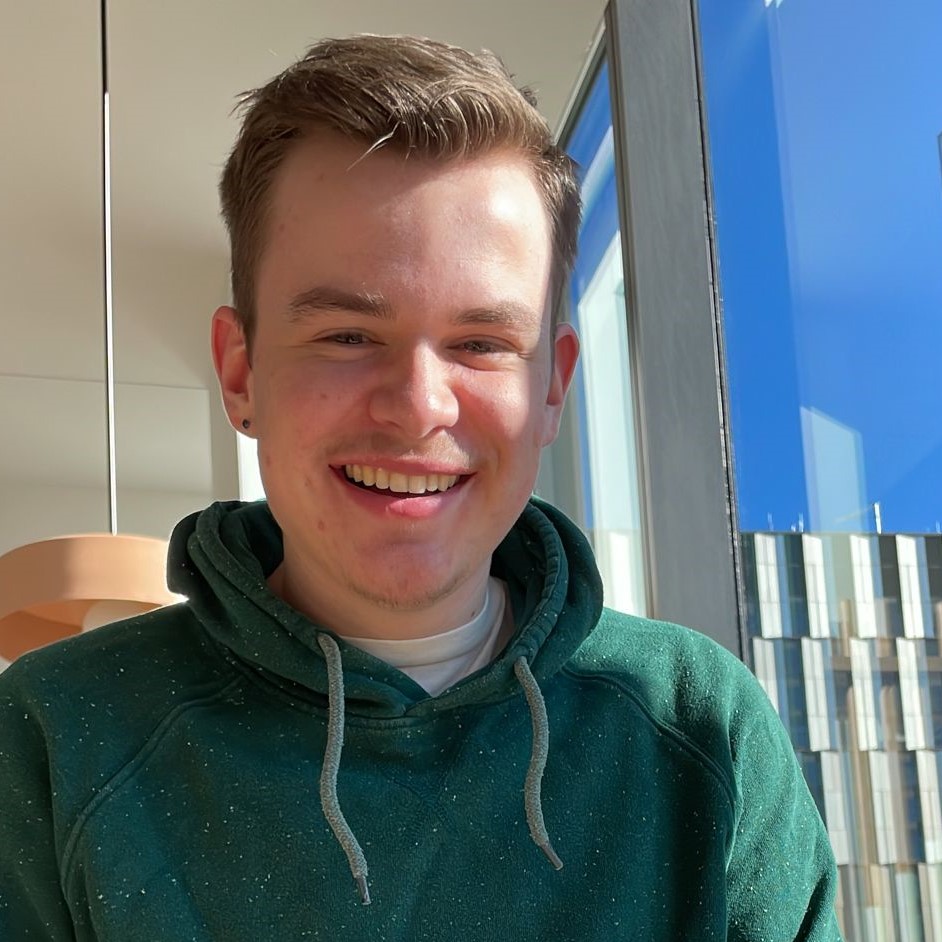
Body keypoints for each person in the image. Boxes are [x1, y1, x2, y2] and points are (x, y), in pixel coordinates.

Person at [0, 35, 842, 941]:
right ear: (241, 374)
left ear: (552, 388)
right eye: (347, 336)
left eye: (482, 343)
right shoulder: (50, 738)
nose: (417, 408)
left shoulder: (699, 727)